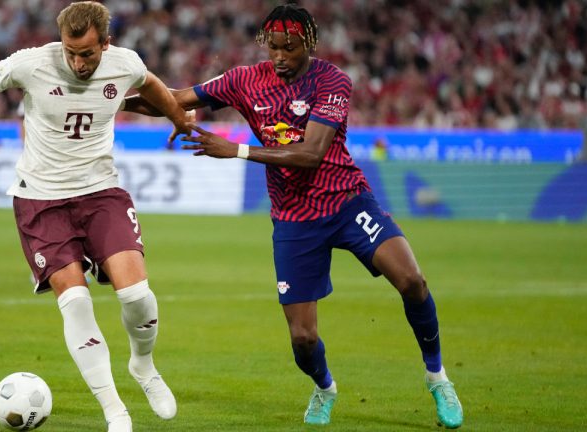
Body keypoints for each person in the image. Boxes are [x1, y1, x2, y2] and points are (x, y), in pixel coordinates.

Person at [125, 4, 463, 429]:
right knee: (303, 339)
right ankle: (324, 388)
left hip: (346, 201)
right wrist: (110, 99)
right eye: (274, 48)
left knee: (412, 280)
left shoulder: (332, 81)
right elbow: (175, 99)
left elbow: (310, 153)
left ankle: (438, 378)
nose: (280, 56)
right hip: (294, 219)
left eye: (290, 48)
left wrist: (238, 150)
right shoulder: (245, 80)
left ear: (309, 44)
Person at [0, 2, 189, 431]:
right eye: (70, 51)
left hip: (101, 191)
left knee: (136, 294)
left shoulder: (125, 64)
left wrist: (179, 117)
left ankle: (143, 365)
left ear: (106, 43)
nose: (77, 62)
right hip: (41, 201)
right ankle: (114, 411)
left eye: (87, 53)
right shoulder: (32, 63)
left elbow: (153, 84)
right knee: (75, 302)